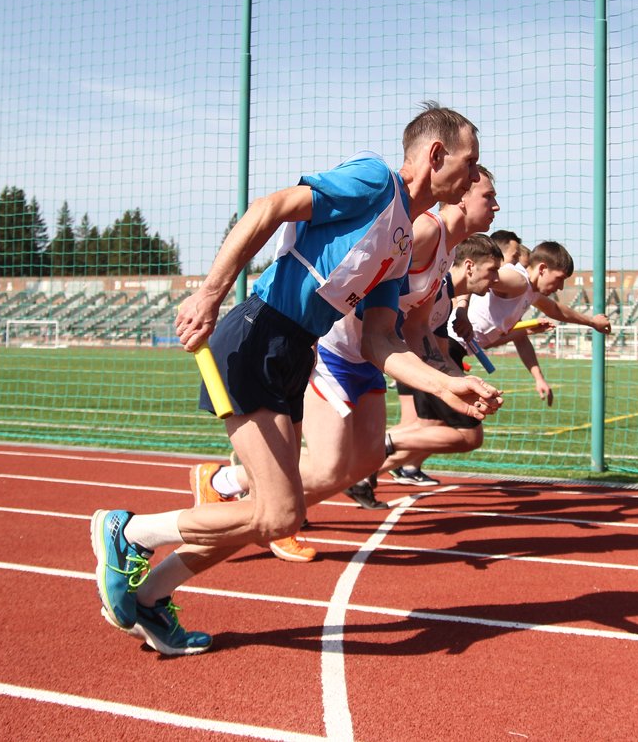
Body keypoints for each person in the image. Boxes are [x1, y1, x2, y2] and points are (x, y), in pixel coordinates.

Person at [90, 103, 501, 656]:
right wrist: (211, 292)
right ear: (435, 155)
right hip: (256, 337)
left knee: (270, 510)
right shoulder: (374, 180)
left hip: (293, 353)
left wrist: (443, 384)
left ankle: (149, 597)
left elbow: (382, 341)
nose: (476, 176)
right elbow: (272, 208)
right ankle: (129, 532)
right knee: (280, 513)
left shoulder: (403, 244)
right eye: (470, 163)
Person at [191, 166, 502, 549]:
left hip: (370, 355)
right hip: (334, 348)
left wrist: (447, 380)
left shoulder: (445, 252)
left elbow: (418, 328)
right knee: (327, 467)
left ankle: (273, 511)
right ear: (462, 197)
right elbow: (361, 290)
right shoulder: (419, 230)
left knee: (368, 459)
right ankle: (251, 503)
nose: (496, 206)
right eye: (488, 195)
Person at [358, 234, 506, 496]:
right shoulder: (433, 287)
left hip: (403, 362)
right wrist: (452, 382)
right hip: (367, 355)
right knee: (467, 436)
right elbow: (417, 337)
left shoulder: (445, 300)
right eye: (492, 270)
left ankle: (368, 468)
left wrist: (460, 383)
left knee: (430, 428)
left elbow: (438, 351)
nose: (496, 279)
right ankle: (376, 451)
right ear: (470, 266)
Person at [452, 239, 611, 407]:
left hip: (456, 349)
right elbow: (473, 276)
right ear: (542, 269)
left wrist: (539, 378)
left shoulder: (529, 292)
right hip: (448, 343)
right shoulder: (517, 280)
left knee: (459, 427)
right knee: (466, 428)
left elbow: (556, 310)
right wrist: (462, 308)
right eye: (559, 278)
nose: (561, 287)